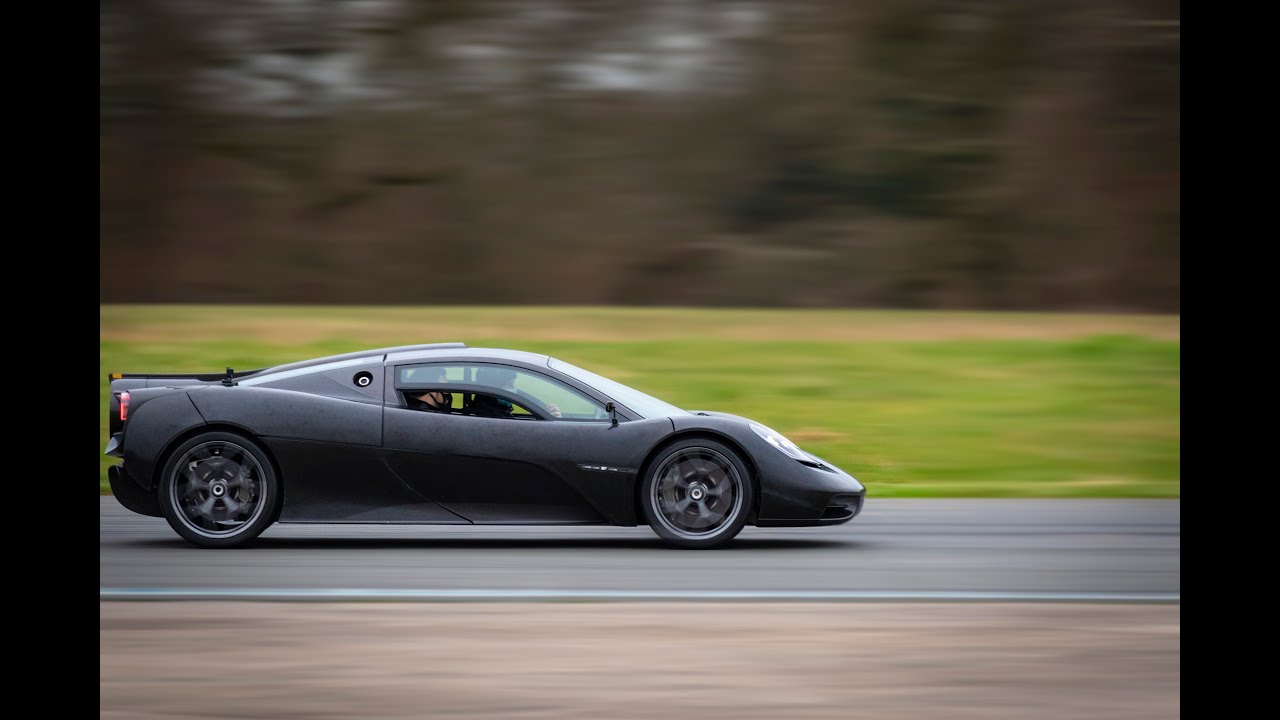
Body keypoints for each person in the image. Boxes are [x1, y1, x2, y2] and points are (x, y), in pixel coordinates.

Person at [468, 366, 562, 419]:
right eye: (511, 385)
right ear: (495, 389)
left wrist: (543, 411)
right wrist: (551, 419)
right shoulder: (495, 417)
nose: (514, 389)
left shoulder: (484, 410)